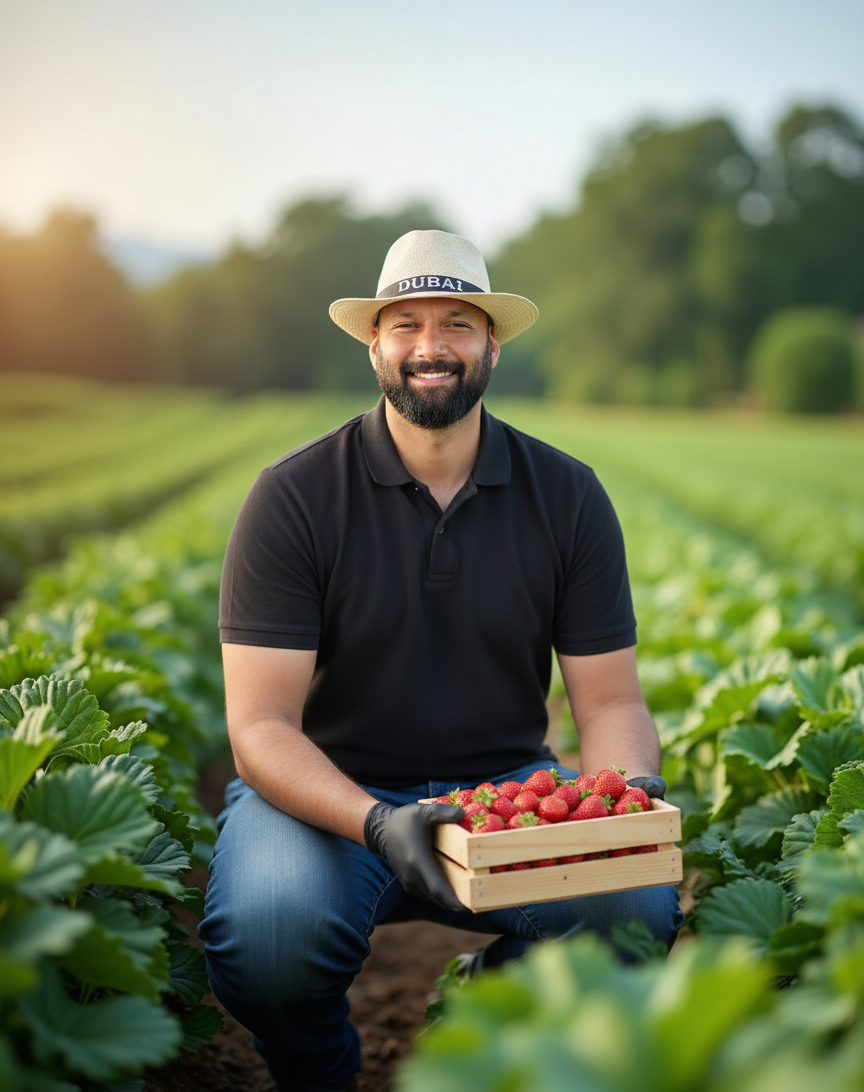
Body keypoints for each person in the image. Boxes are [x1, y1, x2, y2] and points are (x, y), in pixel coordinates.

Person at [199, 229, 683, 1092]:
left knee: (637, 908)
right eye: (407, 325)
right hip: (328, 800)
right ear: (374, 345)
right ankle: (321, 1074)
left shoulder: (567, 495)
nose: (431, 347)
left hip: (503, 794)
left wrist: (623, 799)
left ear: (492, 344)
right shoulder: (294, 496)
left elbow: (609, 702)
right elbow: (260, 727)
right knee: (268, 939)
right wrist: (378, 821)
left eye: (457, 323)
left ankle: (491, 1006)